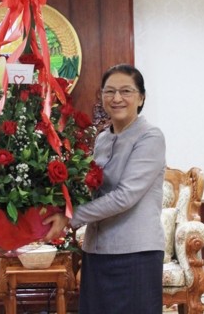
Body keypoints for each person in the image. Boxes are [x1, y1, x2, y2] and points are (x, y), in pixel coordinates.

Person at [70, 64, 166, 313]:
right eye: (109, 91)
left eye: (126, 91)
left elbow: (125, 196)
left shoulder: (150, 137)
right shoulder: (102, 139)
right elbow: (93, 189)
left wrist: (70, 217)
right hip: (97, 250)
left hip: (136, 254)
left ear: (141, 97)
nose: (117, 98)